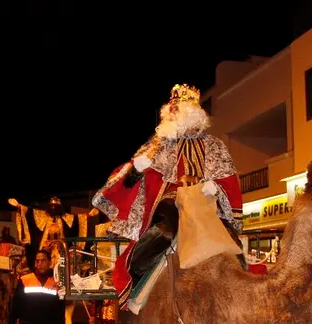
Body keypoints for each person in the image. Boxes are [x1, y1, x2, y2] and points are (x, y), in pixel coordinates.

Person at [92, 84, 243, 309]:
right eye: (170, 110)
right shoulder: (157, 144)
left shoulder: (214, 146)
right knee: (158, 237)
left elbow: (228, 179)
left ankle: (242, 288)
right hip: (169, 208)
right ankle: (136, 283)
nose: (172, 114)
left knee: (232, 243)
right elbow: (126, 178)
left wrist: (216, 188)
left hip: (206, 208)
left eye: (177, 110)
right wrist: (136, 170)